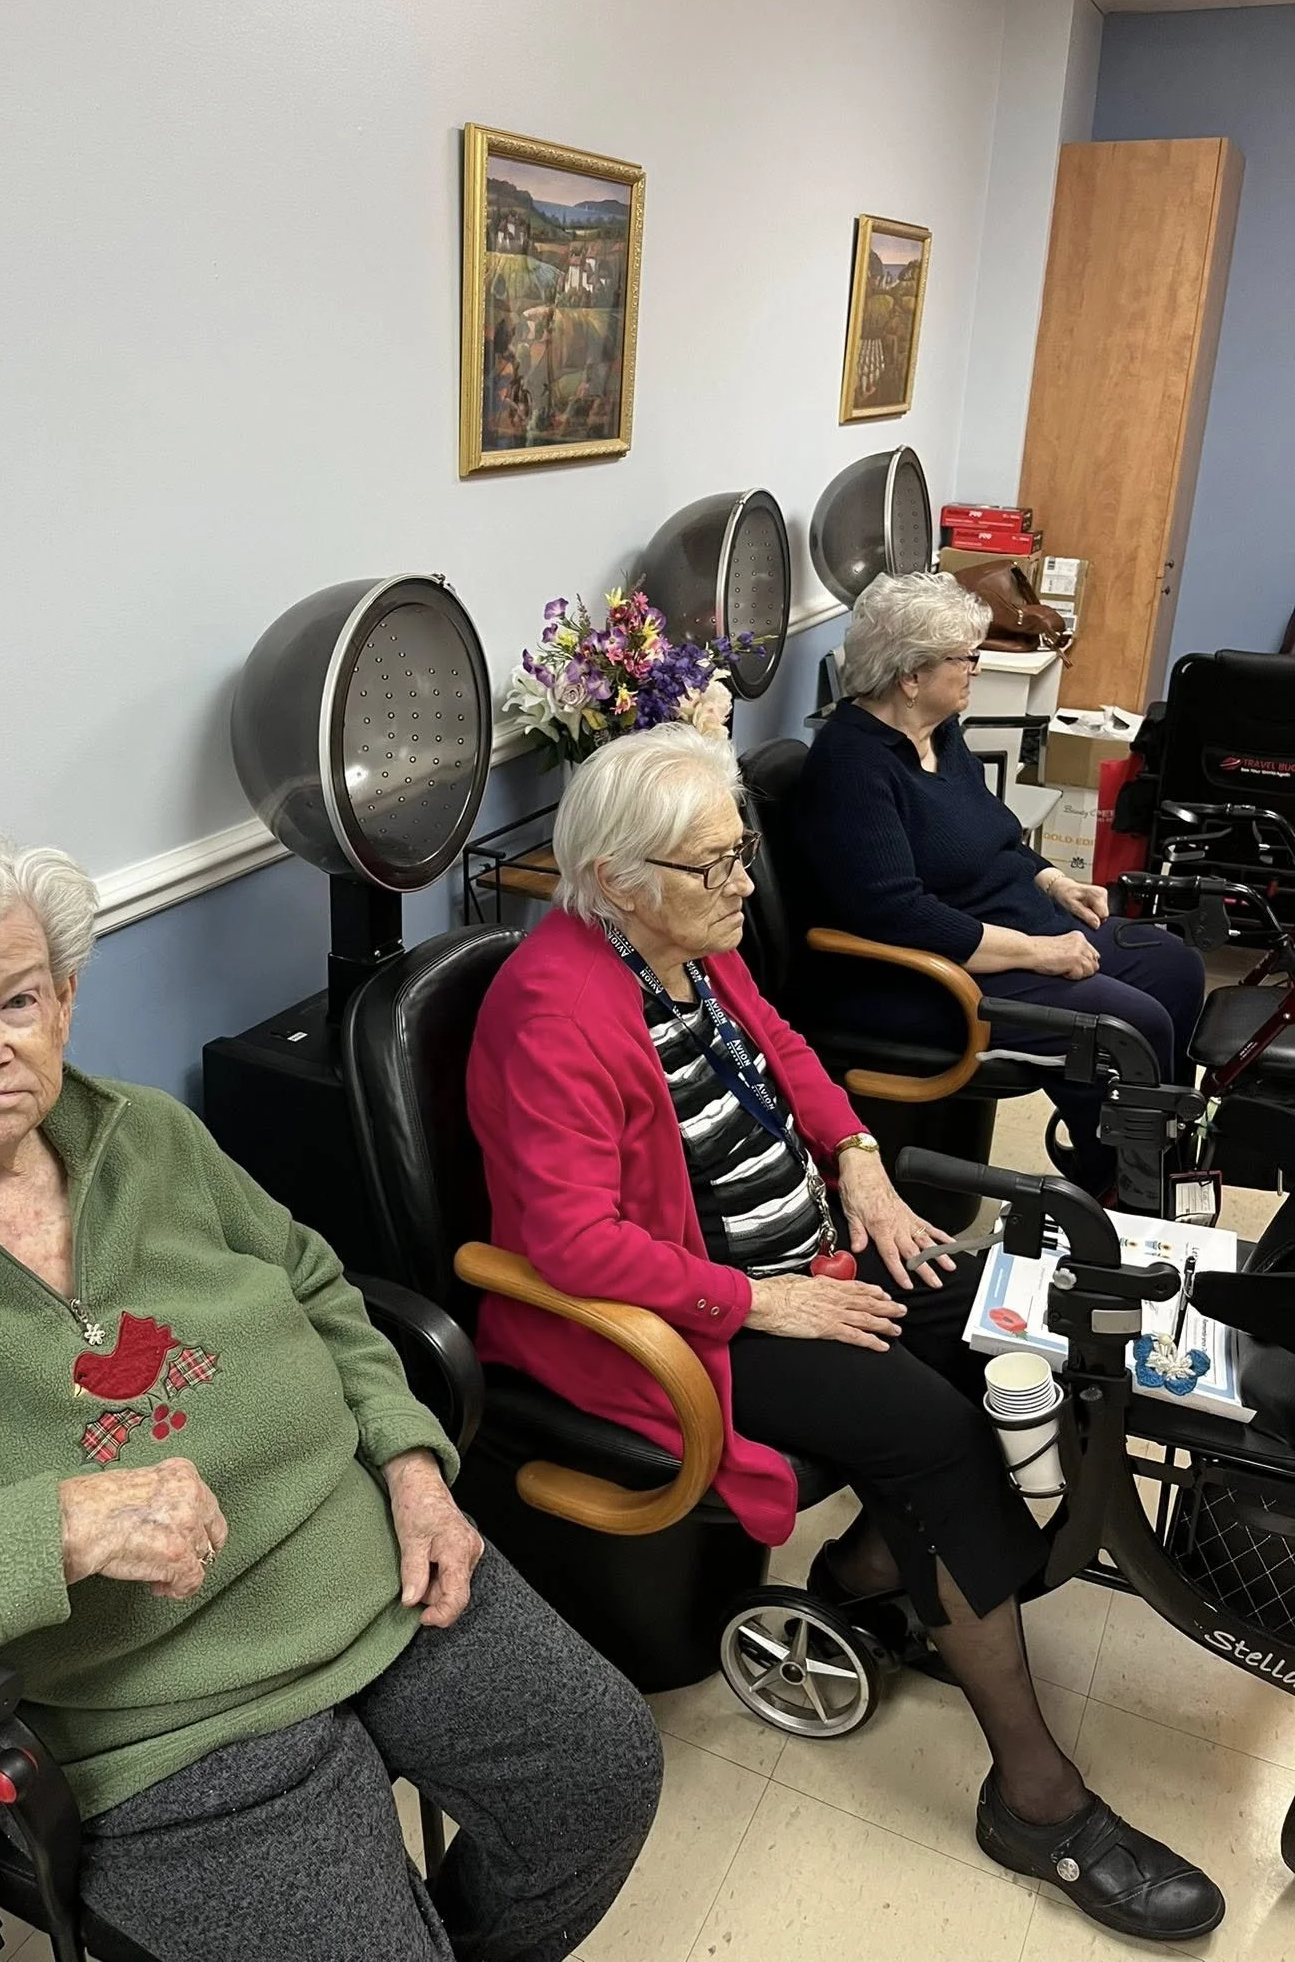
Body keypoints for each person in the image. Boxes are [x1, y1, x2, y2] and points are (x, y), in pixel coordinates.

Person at [0, 819, 662, 1962]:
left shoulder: (150, 1137)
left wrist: (411, 1461)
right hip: (165, 1707)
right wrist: (59, 1526)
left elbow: (318, 1282)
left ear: (66, 1002)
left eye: (16, 1000)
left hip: (374, 1565)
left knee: (602, 1770)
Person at [467, 726, 1221, 1944]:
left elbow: (791, 1048)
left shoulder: (682, 949)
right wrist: (761, 1299)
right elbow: (567, 1243)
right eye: (714, 868)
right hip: (685, 1321)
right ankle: (1033, 1797)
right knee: (933, 1432)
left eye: (738, 855)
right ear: (614, 878)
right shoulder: (551, 1006)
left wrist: (860, 1161)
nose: (745, 888)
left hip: (804, 1257)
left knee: (1006, 1321)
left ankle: (876, 1572)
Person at [796, 572, 1205, 1194]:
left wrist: (1049, 882)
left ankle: (1153, 1159)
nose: (976, 670)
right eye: (966, 658)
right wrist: (1043, 953)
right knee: (1130, 1025)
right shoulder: (852, 767)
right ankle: (1122, 1184)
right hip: (926, 977)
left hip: (1007, 929)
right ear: (910, 676)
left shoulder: (937, 732)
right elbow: (900, 915)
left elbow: (994, 836)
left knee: (1175, 965)